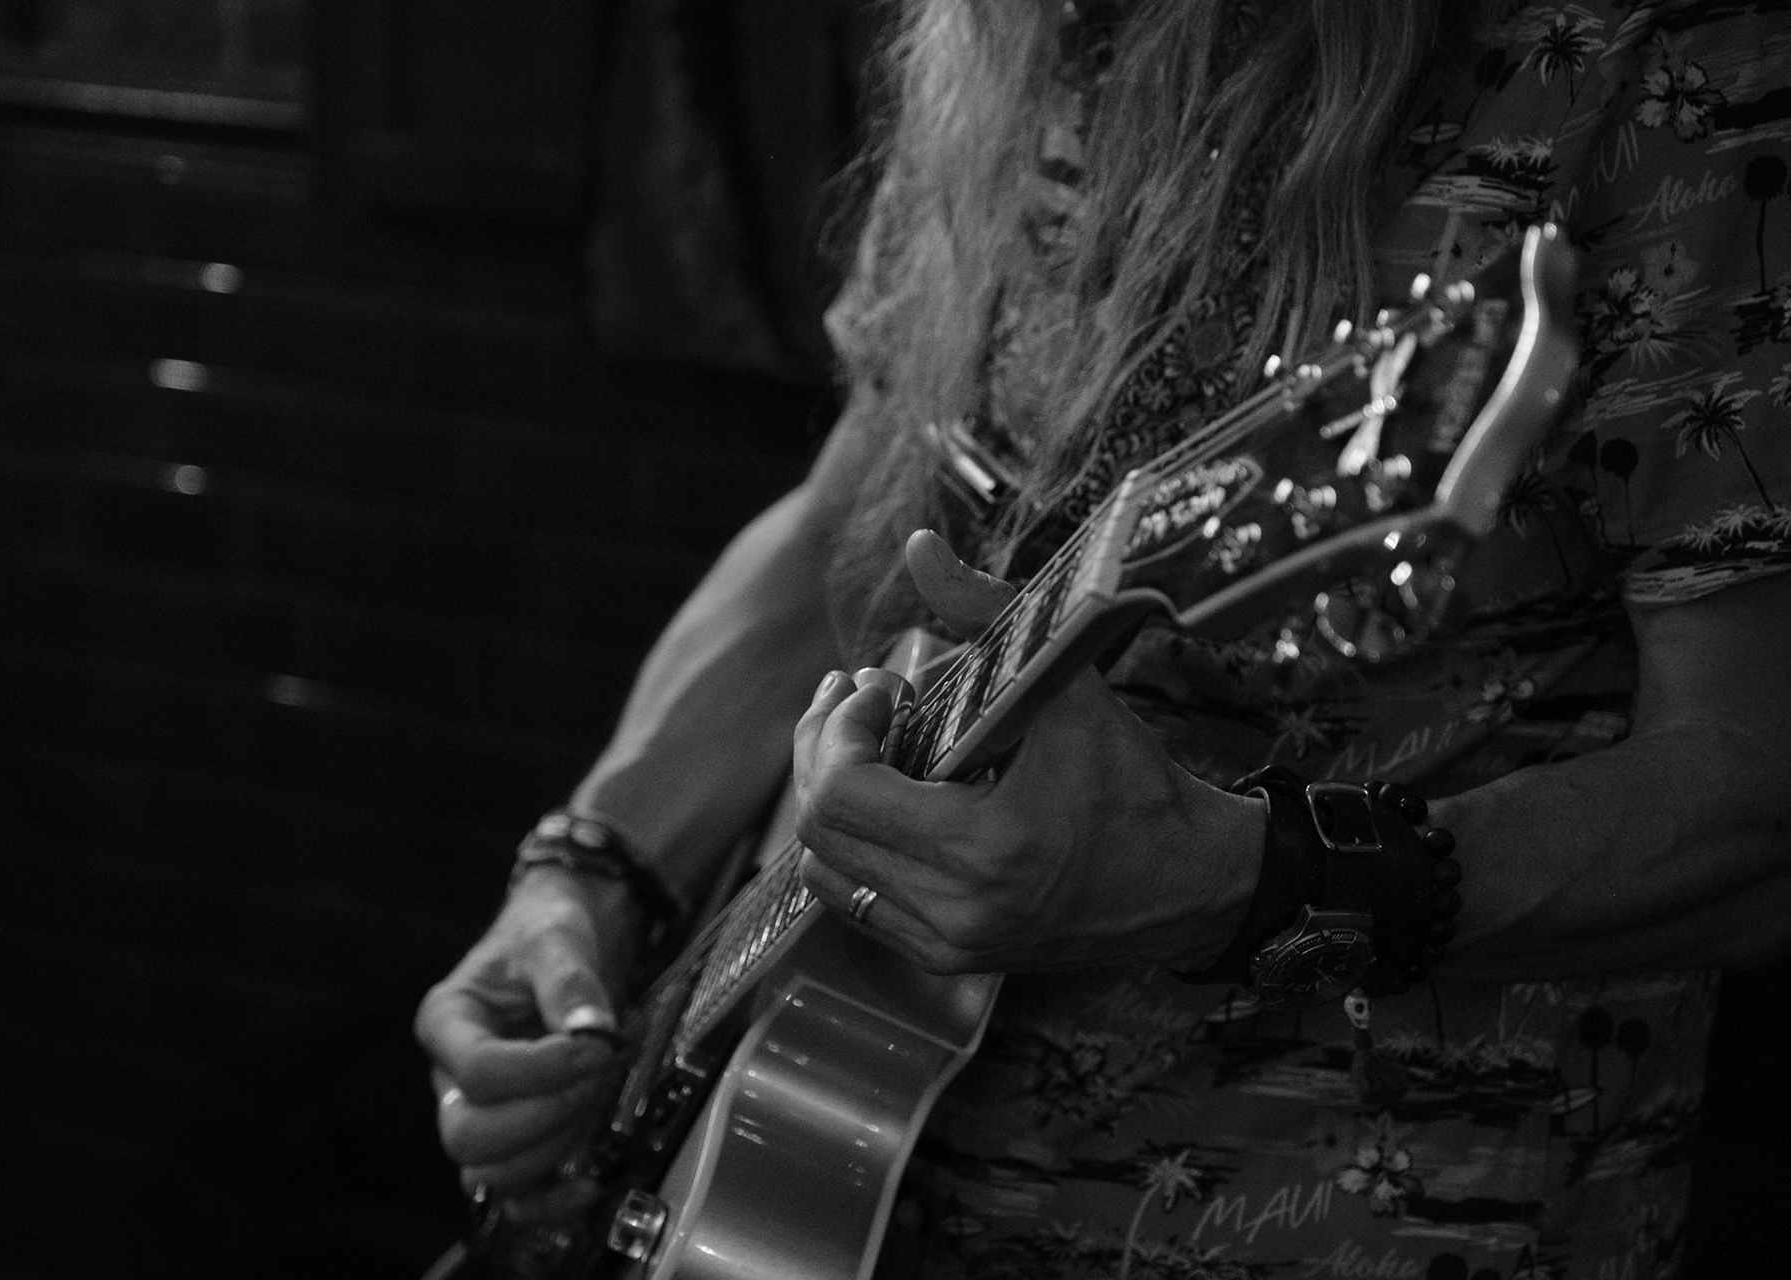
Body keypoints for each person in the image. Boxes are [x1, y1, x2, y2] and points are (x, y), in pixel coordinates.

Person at [417, 1, 1791, 1275]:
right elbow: (870, 504)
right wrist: (594, 872)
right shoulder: (1012, 34)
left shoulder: (1661, 67)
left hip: (1350, 1223)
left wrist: (1246, 880)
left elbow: (1756, 793)